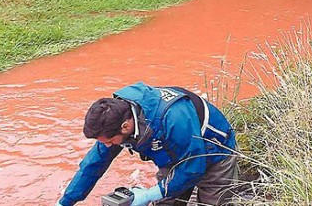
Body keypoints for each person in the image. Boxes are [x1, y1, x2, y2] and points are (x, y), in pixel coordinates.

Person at [57, 82, 238, 206]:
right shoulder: (114, 120)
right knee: (165, 202)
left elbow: (193, 168)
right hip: (172, 154)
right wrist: (65, 201)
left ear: (126, 126)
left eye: (111, 141)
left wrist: (149, 194)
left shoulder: (173, 119)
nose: (108, 146)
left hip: (215, 153)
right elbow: (93, 165)